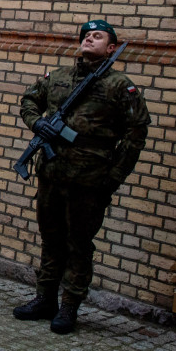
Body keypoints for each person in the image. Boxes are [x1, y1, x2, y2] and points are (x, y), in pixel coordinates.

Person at [15, 20, 150, 334]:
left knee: (78, 244)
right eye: (86, 35)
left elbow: (136, 135)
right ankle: (44, 299)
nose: (89, 38)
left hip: (89, 180)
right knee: (51, 240)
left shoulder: (120, 86)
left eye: (98, 36)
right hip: (51, 174)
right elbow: (29, 100)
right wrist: (37, 125)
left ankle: (69, 307)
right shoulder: (59, 77)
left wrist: (113, 177)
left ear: (112, 48)